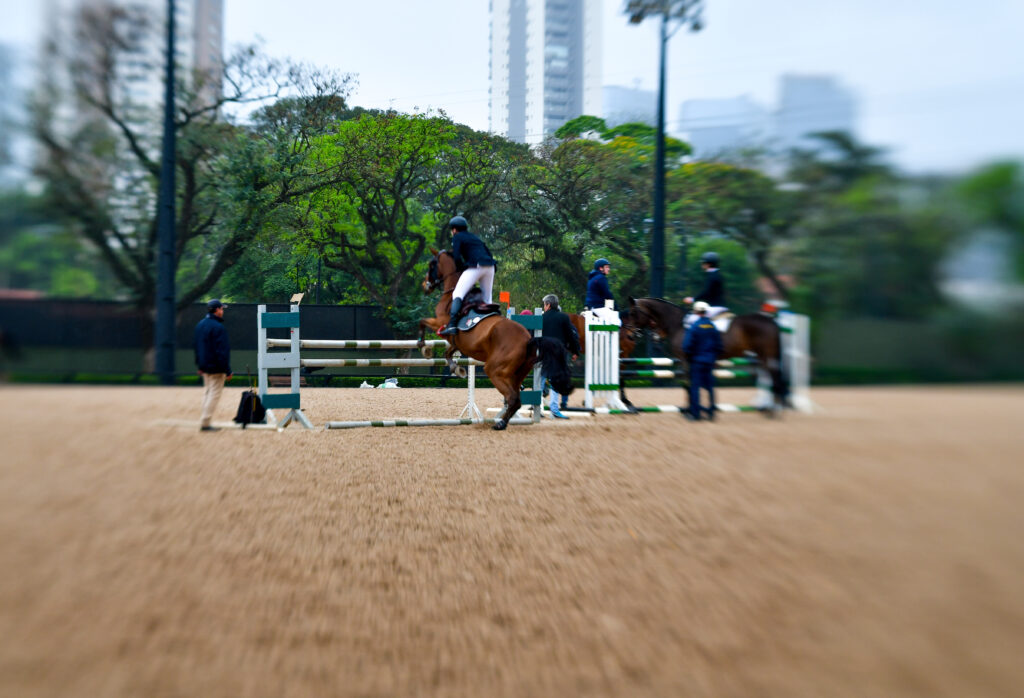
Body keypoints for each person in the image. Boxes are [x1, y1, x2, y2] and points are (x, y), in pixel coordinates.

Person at [439, 215, 497, 335]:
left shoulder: (457, 237)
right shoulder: (474, 237)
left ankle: (452, 326)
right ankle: (491, 324)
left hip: (476, 266)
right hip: (490, 266)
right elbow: (488, 253)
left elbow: (457, 257)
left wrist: (461, 268)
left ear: (454, 229)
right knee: (487, 299)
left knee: (457, 294)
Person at [194, 299, 232, 431]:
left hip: (204, 366)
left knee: (207, 392)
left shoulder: (200, 325)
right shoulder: (218, 327)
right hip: (216, 367)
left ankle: (204, 420)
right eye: (221, 308)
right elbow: (222, 351)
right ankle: (205, 422)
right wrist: (228, 370)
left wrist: (199, 365)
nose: (222, 311)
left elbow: (196, 346)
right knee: (214, 394)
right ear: (217, 310)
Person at [682, 301, 723, 421]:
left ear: (696, 312)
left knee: (695, 388)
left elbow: (687, 346)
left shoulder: (694, 327)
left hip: (697, 361)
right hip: (709, 361)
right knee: (710, 387)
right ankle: (711, 413)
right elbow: (719, 346)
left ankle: (695, 414)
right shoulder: (712, 326)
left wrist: (689, 356)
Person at [541, 294, 580, 419]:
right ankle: (554, 410)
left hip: (544, 353)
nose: (544, 307)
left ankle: (537, 407)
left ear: (548, 305)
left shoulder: (541, 318)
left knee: (540, 380)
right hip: (559, 353)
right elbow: (571, 336)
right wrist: (575, 351)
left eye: (544, 304)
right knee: (555, 381)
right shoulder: (563, 317)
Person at [684, 251, 728, 325]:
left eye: (703, 263)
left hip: (714, 307)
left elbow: (706, 292)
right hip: (720, 306)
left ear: (708, 264)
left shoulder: (712, 276)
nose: (702, 264)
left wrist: (692, 299)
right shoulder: (717, 274)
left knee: (691, 320)